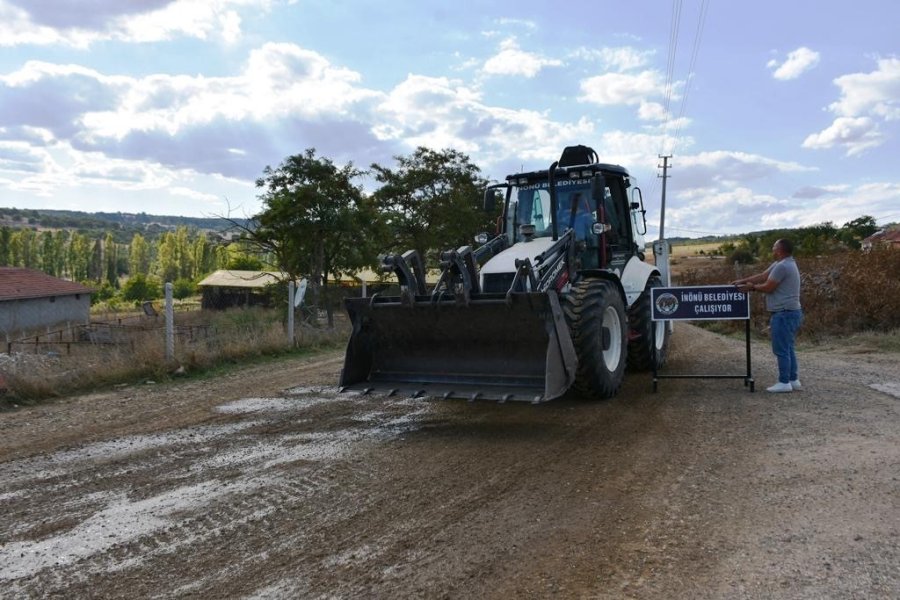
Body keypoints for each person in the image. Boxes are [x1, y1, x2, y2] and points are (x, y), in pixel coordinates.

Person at [732, 239, 803, 393]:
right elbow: (763, 276)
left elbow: (769, 287)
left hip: (784, 313)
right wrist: (742, 281)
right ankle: (793, 379)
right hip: (791, 312)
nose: (772, 250)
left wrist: (752, 288)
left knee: (781, 349)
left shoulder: (782, 266)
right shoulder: (782, 263)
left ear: (780, 250)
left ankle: (784, 382)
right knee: (788, 347)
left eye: (774, 247)